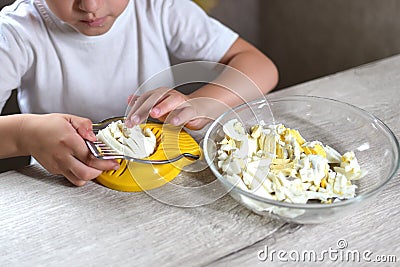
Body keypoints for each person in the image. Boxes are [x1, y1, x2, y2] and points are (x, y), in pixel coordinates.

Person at [0, 0, 278, 186]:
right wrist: (25, 134)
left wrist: (203, 103)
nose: (90, 6)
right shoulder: (15, 32)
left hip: (165, 177)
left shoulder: (159, 6)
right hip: (63, 183)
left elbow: (260, 66)